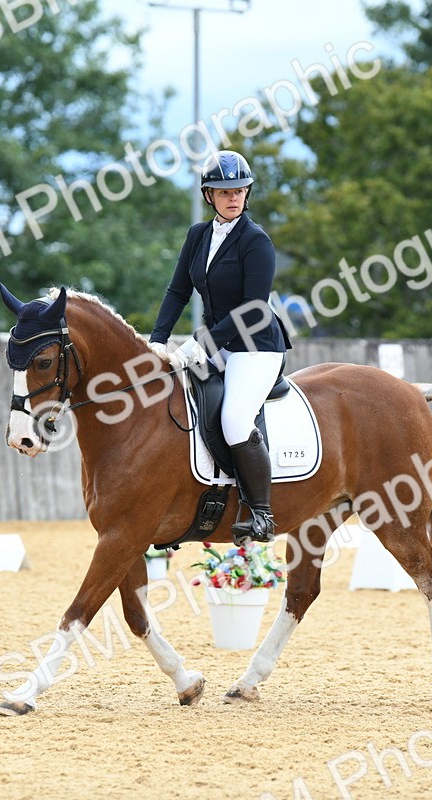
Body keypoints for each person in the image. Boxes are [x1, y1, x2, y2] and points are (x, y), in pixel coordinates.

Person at [147, 150, 289, 543]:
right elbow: (178, 291)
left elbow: (253, 309)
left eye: (240, 190)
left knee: (234, 420)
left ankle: (262, 514)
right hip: (218, 343)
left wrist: (203, 343)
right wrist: (157, 339)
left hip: (256, 347)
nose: (233, 198)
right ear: (209, 195)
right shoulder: (198, 235)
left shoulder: (256, 241)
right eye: (225, 192)